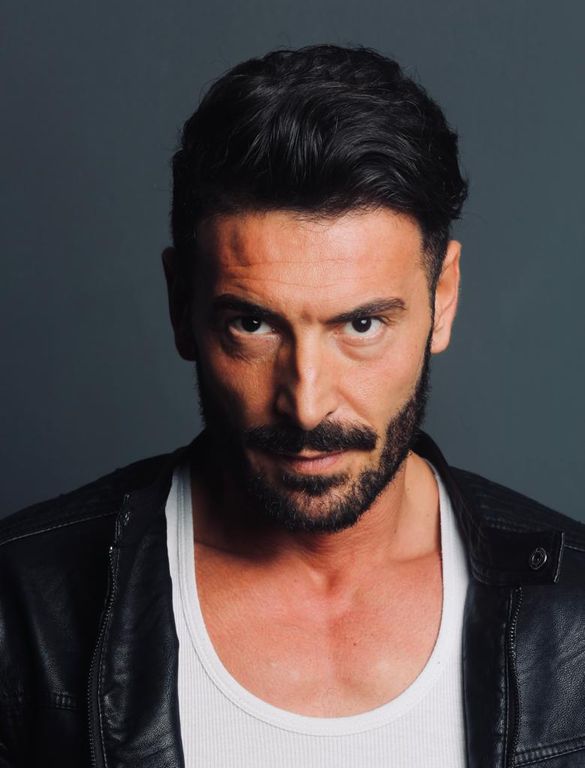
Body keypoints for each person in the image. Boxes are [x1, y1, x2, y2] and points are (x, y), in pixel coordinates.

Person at [1, 43, 584, 768]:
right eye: (253, 324)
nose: (306, 405)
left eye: (361, 325)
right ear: (181, 304)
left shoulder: (573, 612)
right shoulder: (24, 607)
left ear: (443, 298)